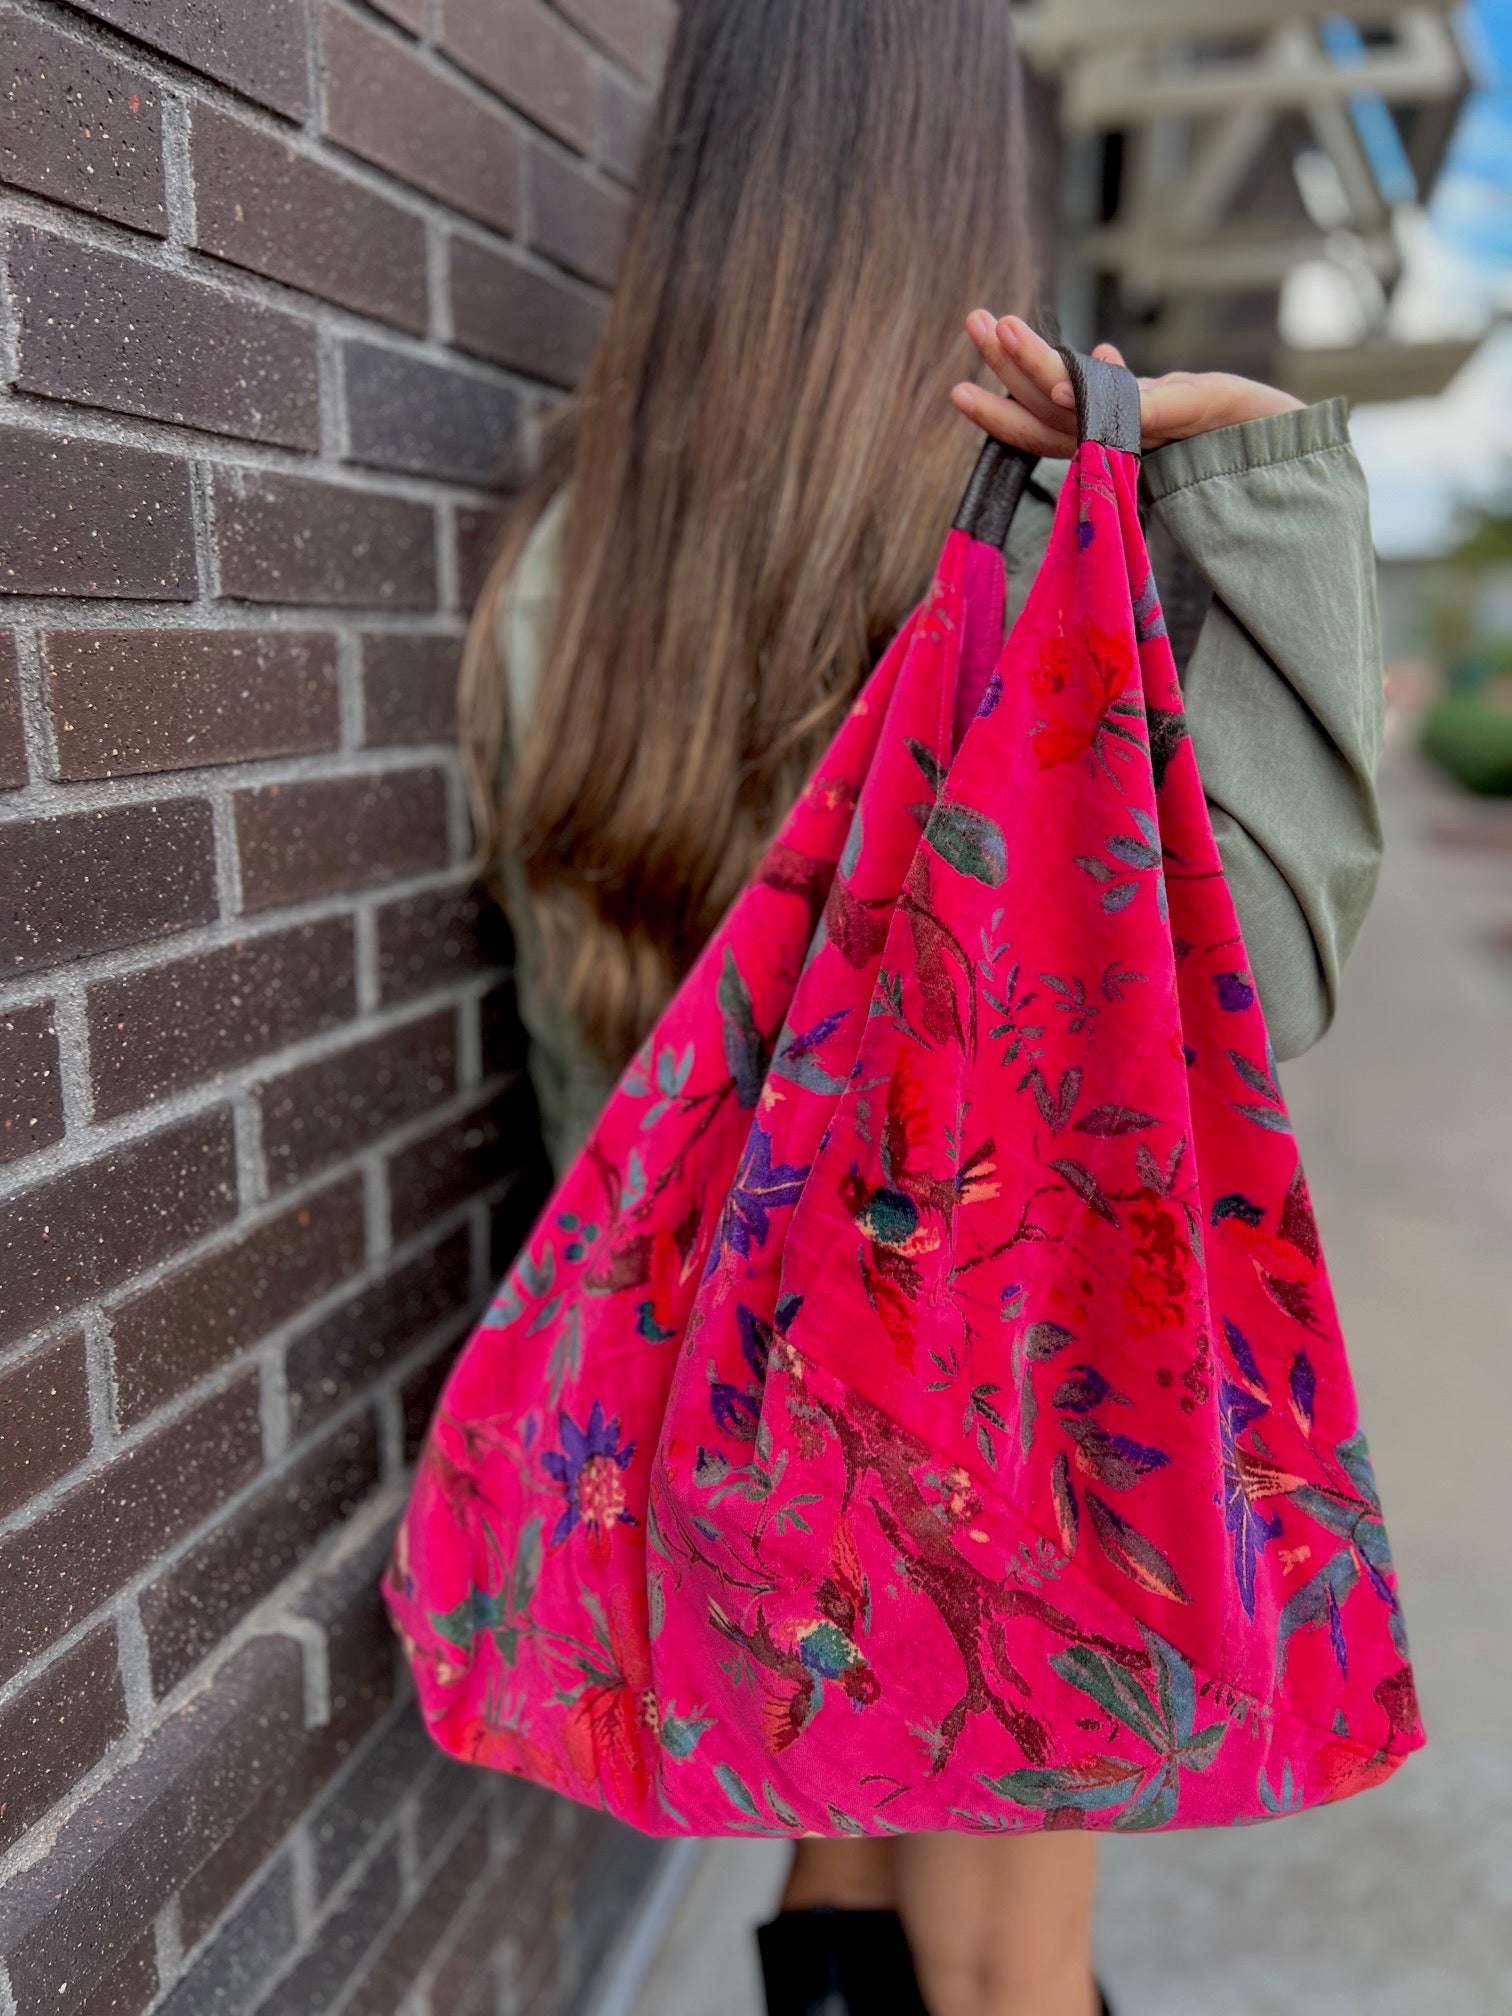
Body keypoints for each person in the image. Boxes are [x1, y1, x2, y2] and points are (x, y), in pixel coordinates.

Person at [457, 6, 1385, 2013]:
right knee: (1004, 1971)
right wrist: (1271, 505)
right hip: (1011, 1411)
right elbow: (1259, 1001)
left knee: (841, 1853)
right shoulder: (1042, 575)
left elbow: (579, 1076)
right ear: (970, 183)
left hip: (751, 1412)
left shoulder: (567, 580)